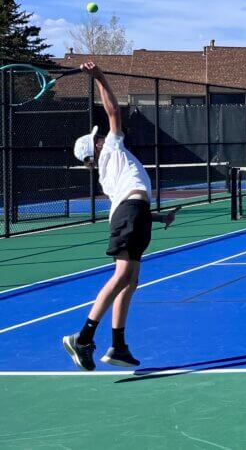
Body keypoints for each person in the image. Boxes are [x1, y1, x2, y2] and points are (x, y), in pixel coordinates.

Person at [61, 63, 178, 371]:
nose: (102, 136)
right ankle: (82, 338)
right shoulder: (112, 149)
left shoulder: (110, 170)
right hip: (130, 215)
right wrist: (99, 77)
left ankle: (119, 346)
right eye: (98, 138)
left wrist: (157, 217)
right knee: (123, 275)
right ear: (96, 147)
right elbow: (113, 112)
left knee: (131, 280)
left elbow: (129, 205)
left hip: (133, 214)